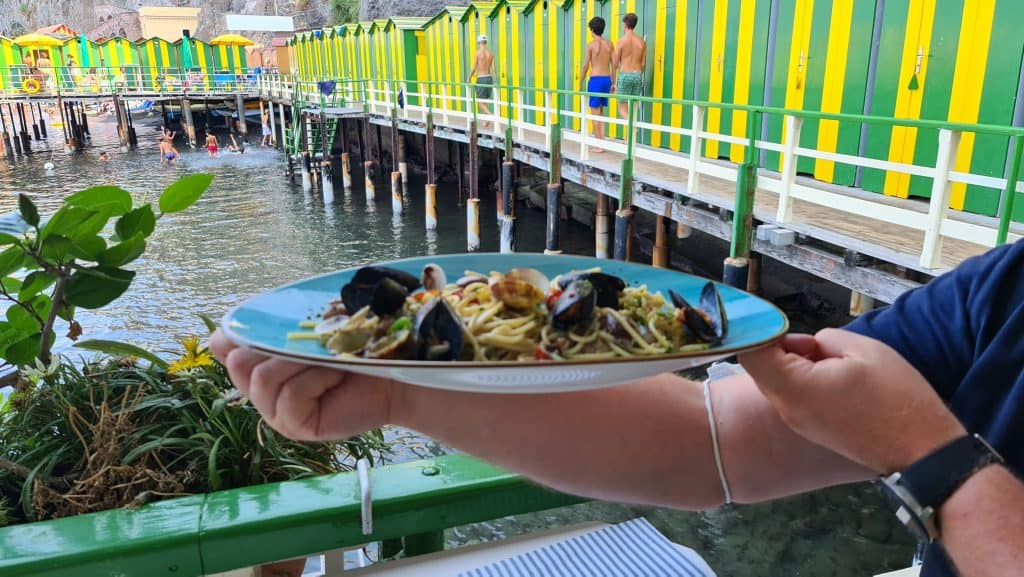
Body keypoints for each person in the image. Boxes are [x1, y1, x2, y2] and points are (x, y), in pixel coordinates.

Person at [211, 240, 1024, 577]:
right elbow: (716, 442)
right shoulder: (1005, 293)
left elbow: (913, 440)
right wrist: (406, 385)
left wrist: (936, 460)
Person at [579, 17, 614, 152]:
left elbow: (585, 66)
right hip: (607, 79)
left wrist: (580, 82)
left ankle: (599, 145)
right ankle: (602, 141)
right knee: (601, 112)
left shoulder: (591, 45)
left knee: (594, 113)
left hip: (595, 80)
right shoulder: (610, 44)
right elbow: (614, 64)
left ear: (592, 29)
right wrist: (613, 82)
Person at [612, 13, 646, 123]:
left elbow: (615, 64)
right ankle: (629, 139)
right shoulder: (641, 42)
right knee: (634, 107)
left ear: (625, 24)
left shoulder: (621, 41)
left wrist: (613, 82)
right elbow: (643, 64)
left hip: (625, 75)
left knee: (622, 108)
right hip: (637, 75)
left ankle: (632, 124)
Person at [466, 35, 496, 129]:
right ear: (486, 43)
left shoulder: (478, 53)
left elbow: (474, 68)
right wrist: (495, 81)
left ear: (479, 43)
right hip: (489, 78)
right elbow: (494, 69)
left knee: (479, 101)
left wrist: (468, 78)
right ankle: (486, 120)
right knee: (485, 100)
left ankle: (491, 115)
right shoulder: (491, 54)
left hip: (481, 78)